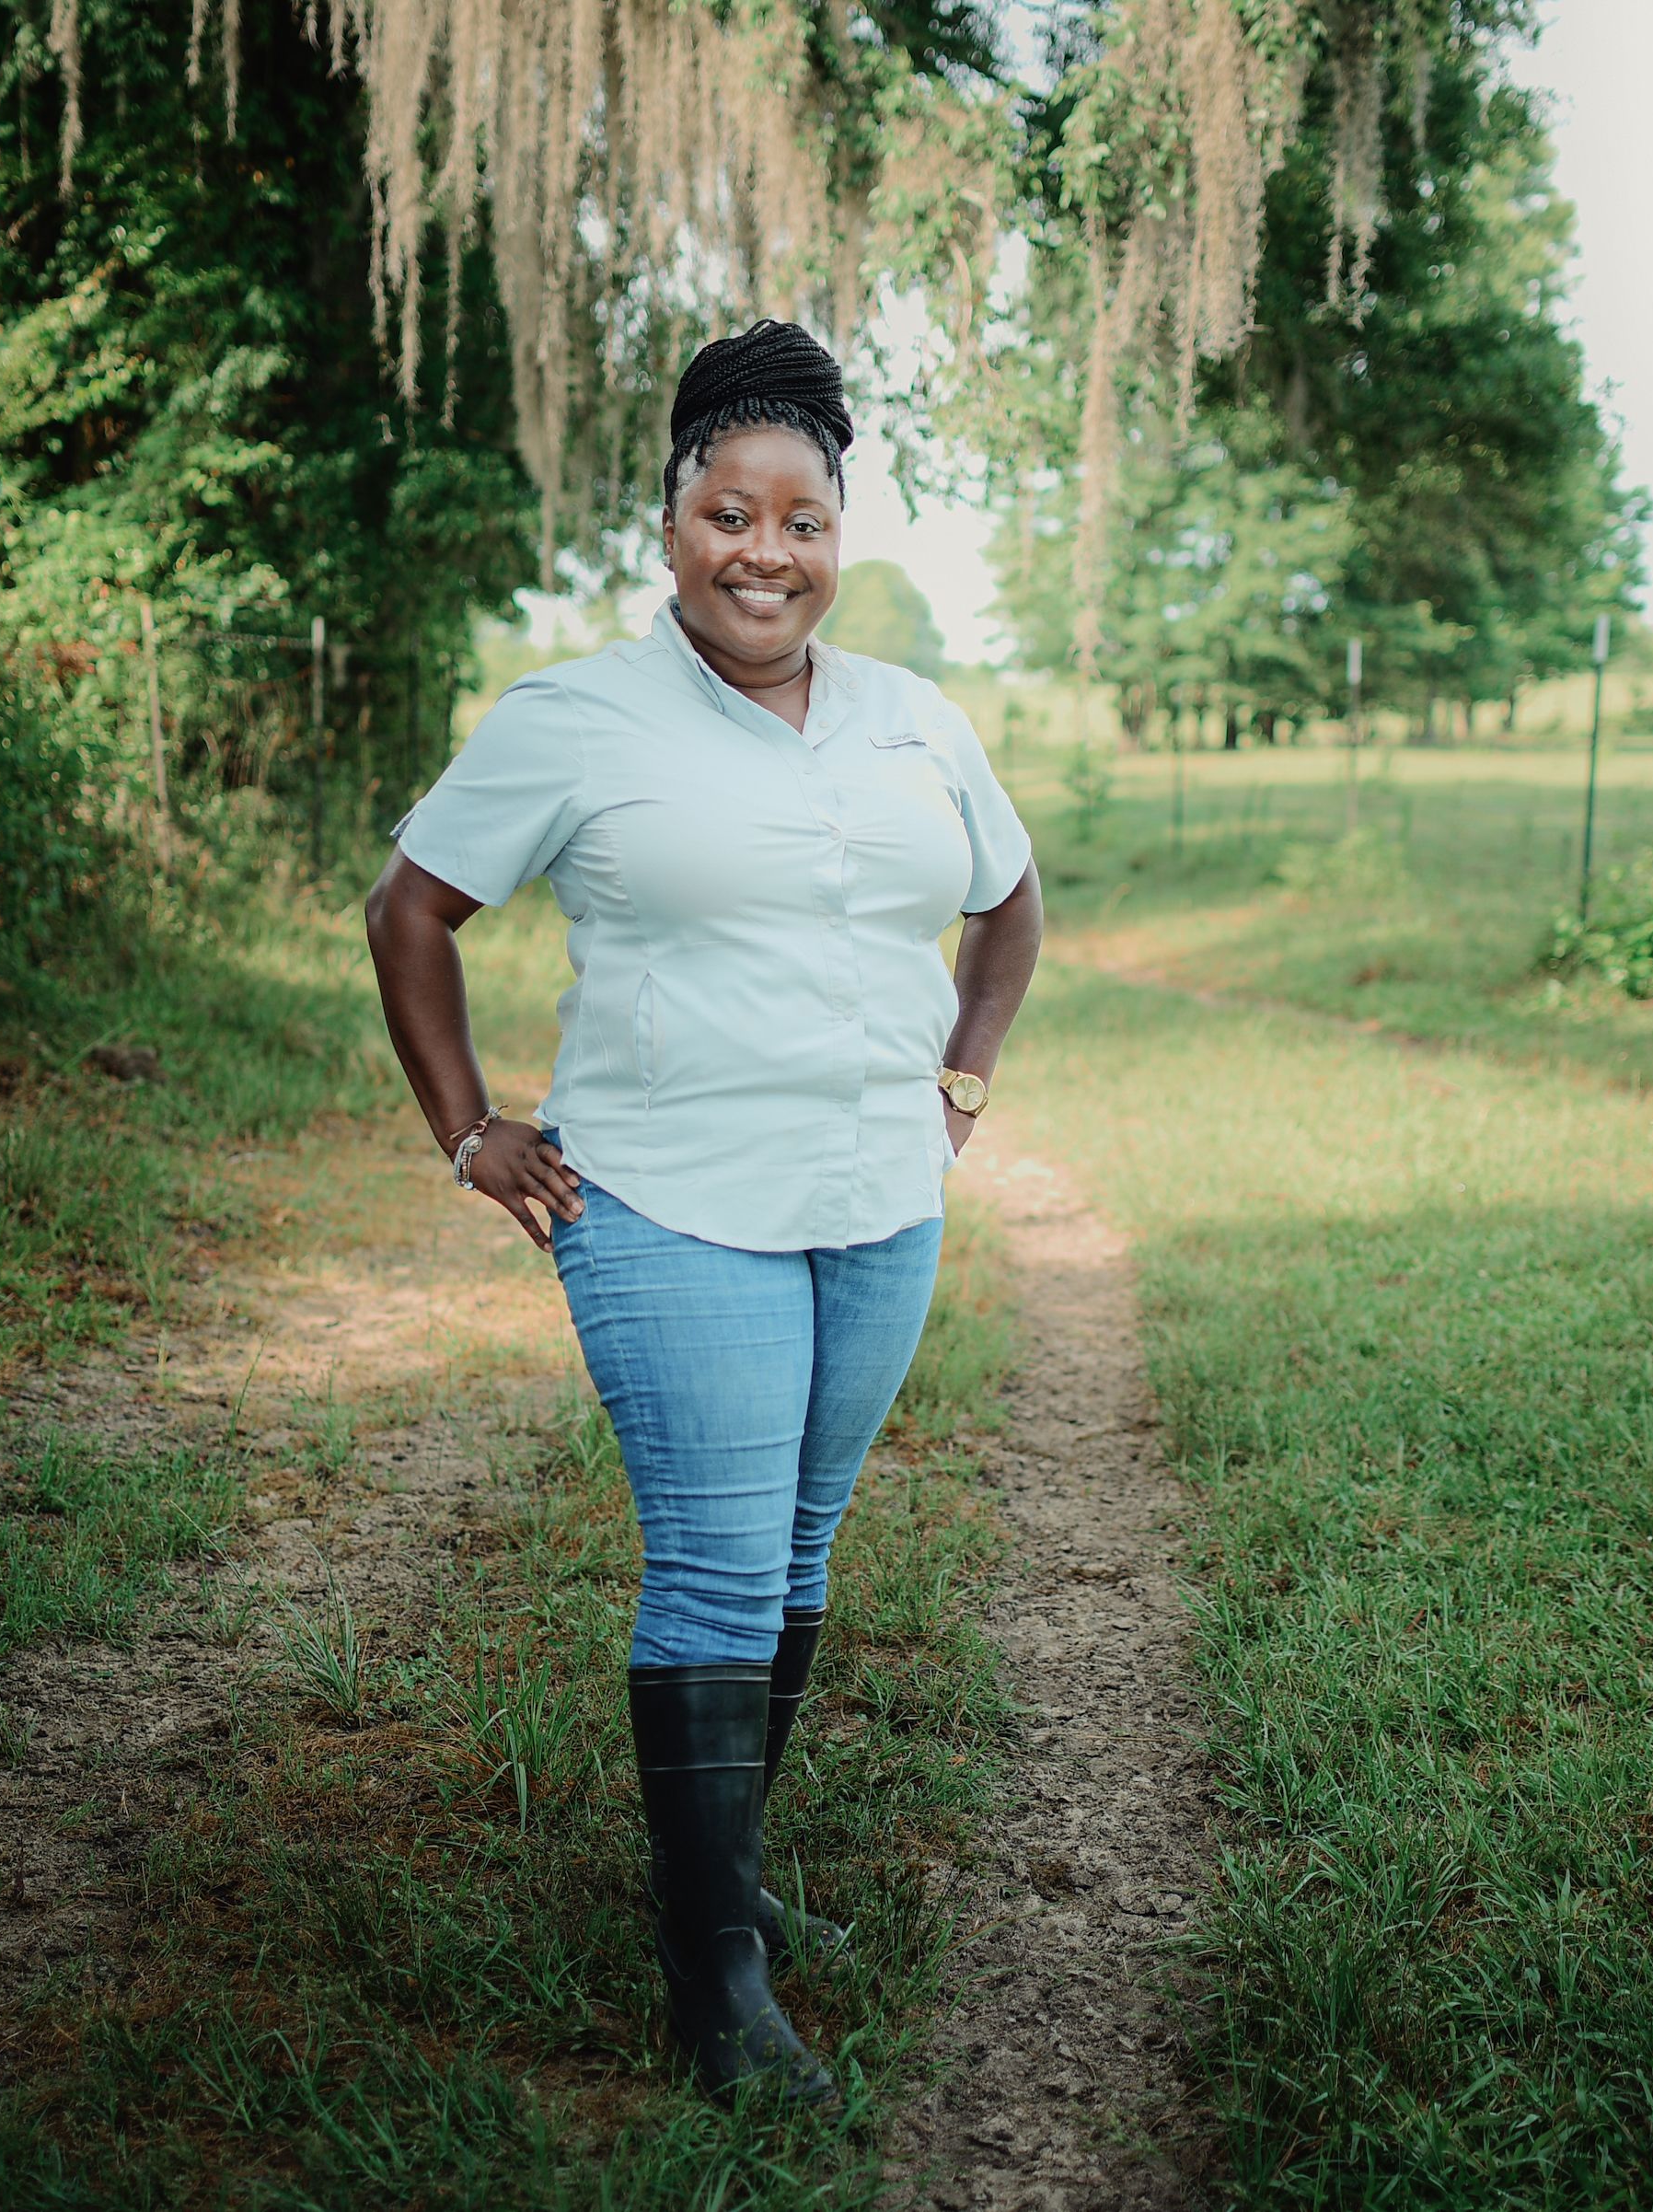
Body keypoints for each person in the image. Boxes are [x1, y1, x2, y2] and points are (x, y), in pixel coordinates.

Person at [363, 319, 1044, 2102]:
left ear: (842, 533)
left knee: (803, 1546)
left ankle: (721, 1881)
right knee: (725, 1561)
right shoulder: (574, 720)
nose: (766, 551)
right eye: (727, 512)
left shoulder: (915, 716)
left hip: (878, 1198)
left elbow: (1011, 900)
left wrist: (961, 1077)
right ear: (668, 522)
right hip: (665, 1198)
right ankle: (715, 1978)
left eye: (802, 518)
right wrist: (469, 1129)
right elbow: (410, 913)